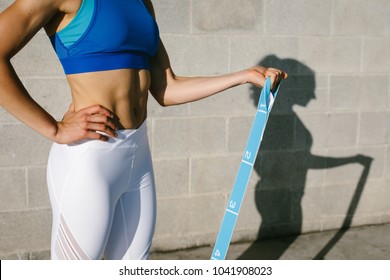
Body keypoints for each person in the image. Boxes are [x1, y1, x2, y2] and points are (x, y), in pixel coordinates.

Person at [0, 0, 287, 260]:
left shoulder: (141, 2)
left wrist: (242, 76)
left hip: (137, 159)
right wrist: (55, 129)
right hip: (89, 160)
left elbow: (167, 87)